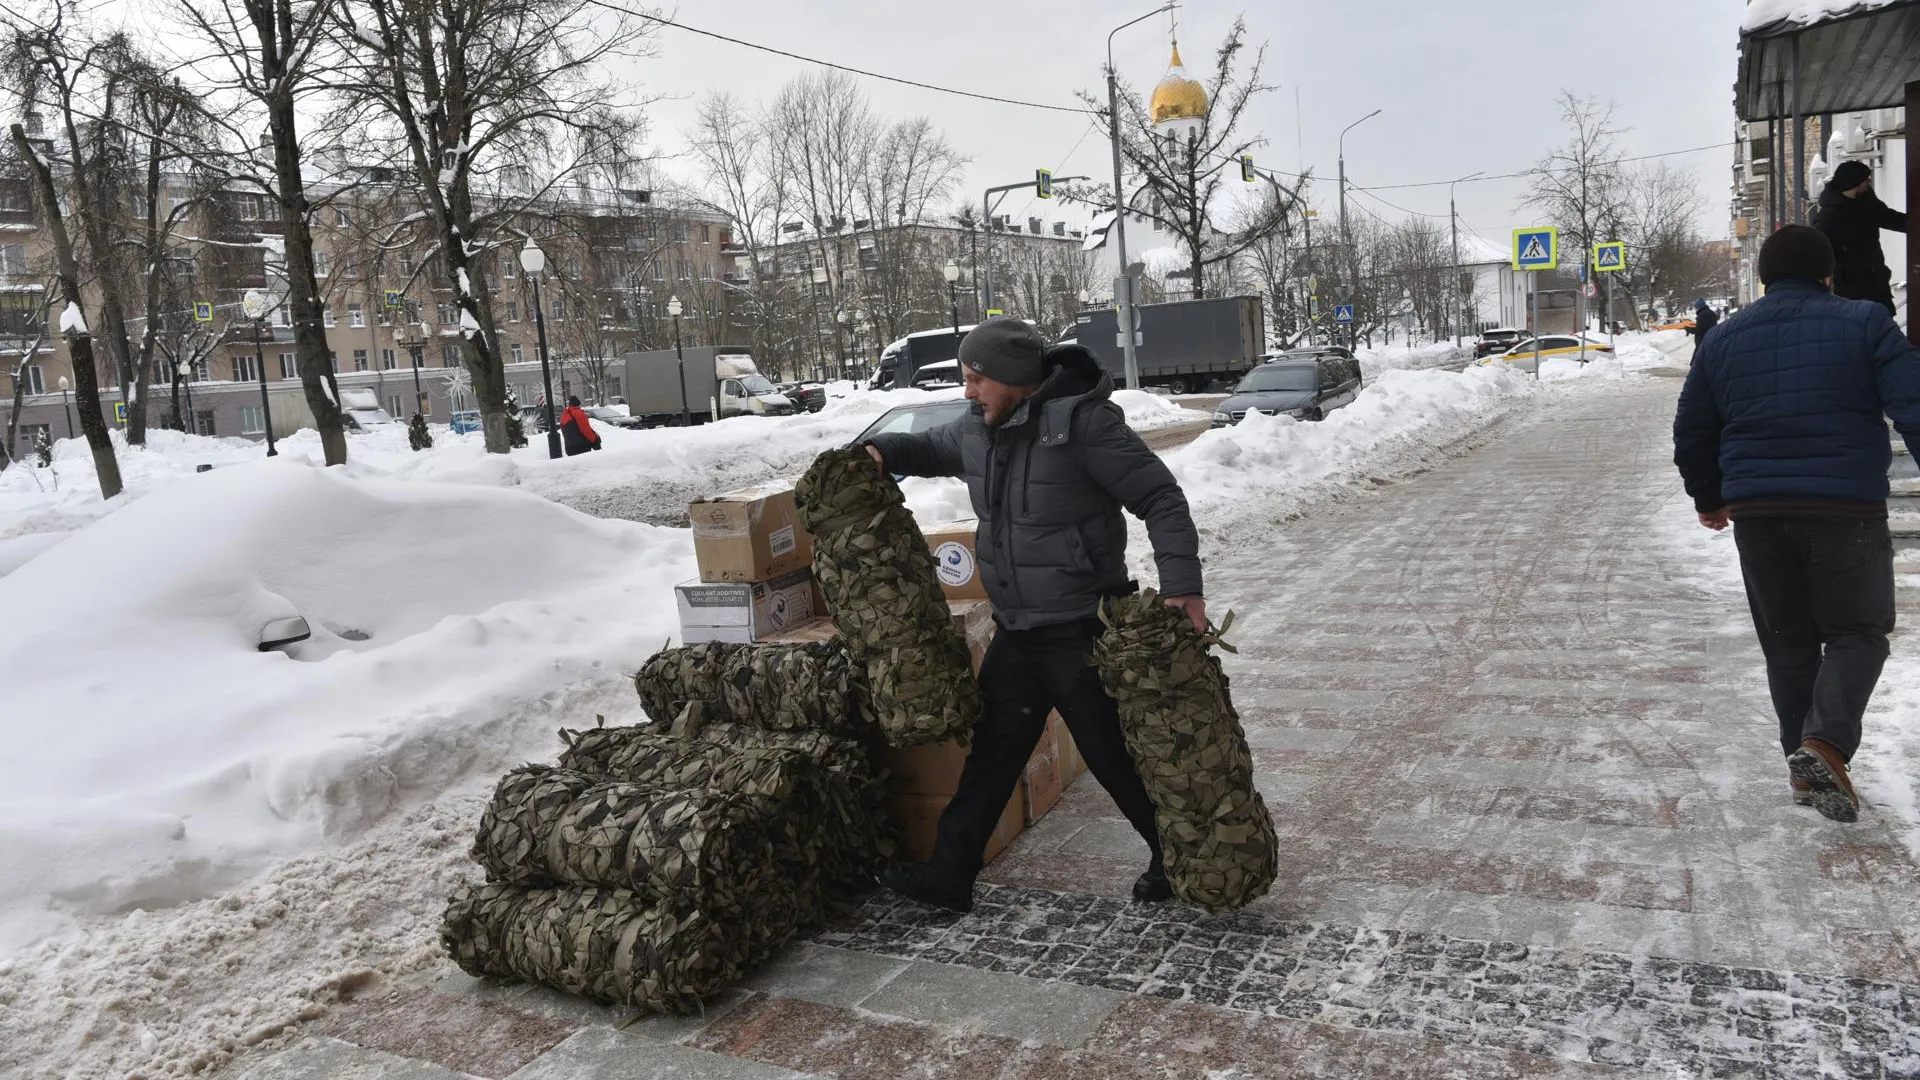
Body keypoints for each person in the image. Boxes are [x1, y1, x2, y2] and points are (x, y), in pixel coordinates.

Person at [864, 318, 1205, 912]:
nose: (967, 392)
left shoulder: (1083, 424)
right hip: (1018, 627)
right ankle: (949, 875)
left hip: (1081, 627)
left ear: (1014, 378)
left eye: (976, 379)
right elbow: (926, 447)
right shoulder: (980, 427)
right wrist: (880, 450)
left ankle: (1179, 859)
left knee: (1114, 756)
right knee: (992, 754)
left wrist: (1183, 587)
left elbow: (1160, 498)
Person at [1673, 224, 1920, 823]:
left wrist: (1710, 497)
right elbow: (1913, 404)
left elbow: (1693, 430)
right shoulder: (1865, 323)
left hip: (1759, 514)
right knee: (1858, 632)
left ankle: (1808, 772)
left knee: (1788, 647)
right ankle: (1824, 746)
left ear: (1763, 278)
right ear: (1827, 273)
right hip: (1844, 512)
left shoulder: (1724, 339)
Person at [1812, 159, 1908, 315]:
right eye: (1866, 180)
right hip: (1850, 297)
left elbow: (1889, 218)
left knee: (1886, 334)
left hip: (1877, 286)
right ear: (1856, 184)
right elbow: (1819, 259)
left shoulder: (1866, 200)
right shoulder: (1827, 220)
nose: (1868, 183)